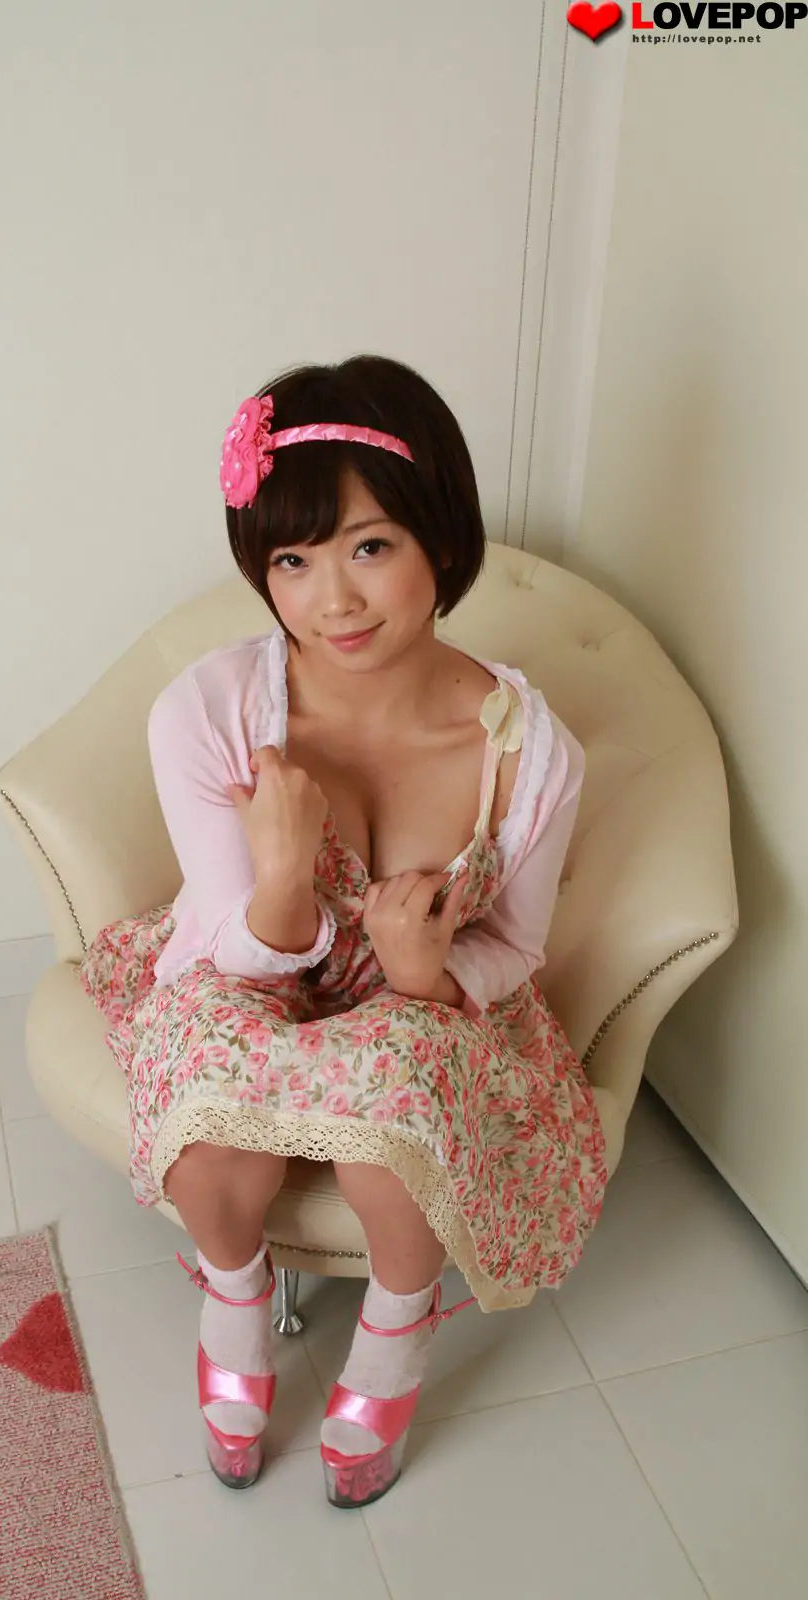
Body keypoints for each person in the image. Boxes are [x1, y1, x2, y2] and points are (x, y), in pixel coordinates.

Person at [80, 354, 608, 1509]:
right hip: (249, 971)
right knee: (210, 1123)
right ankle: (233, 1299)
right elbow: (229, 946)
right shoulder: (211, 710)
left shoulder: (528, 750)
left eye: (369, 546)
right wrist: (282, 874)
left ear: (439, 539)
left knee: (392, 1122)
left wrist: (426, 972)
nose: (333, 601)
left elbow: (515, 946)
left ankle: (395, 1333)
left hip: (423, 1009)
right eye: (292, 559)